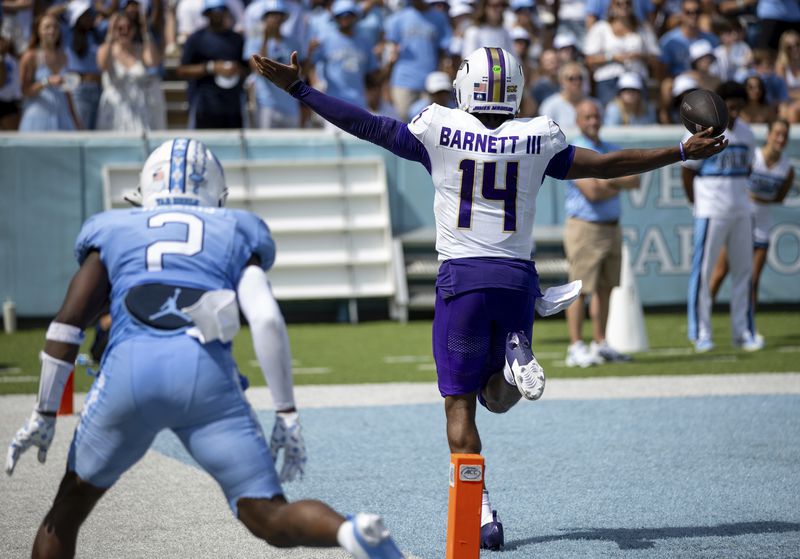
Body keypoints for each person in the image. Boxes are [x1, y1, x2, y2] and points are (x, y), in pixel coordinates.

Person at [252, 46, 725, 550]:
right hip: (519, 282)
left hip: (464, 280)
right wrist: (679, 150)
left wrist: (300, 89)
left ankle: (481, 515)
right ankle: (515, 361)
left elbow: (366, 125)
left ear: (465, 86)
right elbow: (606, 165)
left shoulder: (438, 129)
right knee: (495, 397)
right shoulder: (537, 137)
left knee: (460, 406)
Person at [4, 138, 405, 559]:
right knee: (269, 515)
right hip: (204, 377)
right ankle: (350, 533)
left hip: (128, 373)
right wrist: (286, 412)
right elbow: (266, 318)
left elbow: (67, 326)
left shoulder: (113, 229)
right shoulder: (234, 227)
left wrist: (45, 411)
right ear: (217, 194)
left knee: (65, 513)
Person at [682, 81, 760, 353]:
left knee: (744, 272)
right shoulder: (701, 133)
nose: (735, 113)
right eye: (731, 107)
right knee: (703, 273)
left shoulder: (748, 134)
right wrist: (698, 203)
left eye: (739, 107)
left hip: (741, 210)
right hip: (710, 211)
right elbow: (687, 171)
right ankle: (700, 332)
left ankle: (743, 331)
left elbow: (747, 169)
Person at [564, 99, 640, 367]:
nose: (593, 121)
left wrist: (606, 180)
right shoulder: (574, 149)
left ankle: (600, 342)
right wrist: (615, 182)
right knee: (580, 290)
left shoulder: (610, 148)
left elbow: (635, 178)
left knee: (607, 288)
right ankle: (575, 346)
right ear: (578, 120)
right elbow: (592, 193)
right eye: (587, 117)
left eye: (596, 116)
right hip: (585, 227)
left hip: (610, 226)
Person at [709, 119, 794, 343]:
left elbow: (780, 197)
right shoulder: (753, 156)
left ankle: (747, 327)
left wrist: (755, 197)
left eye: (784, 135)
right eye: (777, 133)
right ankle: (702, 321)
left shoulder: (787, 167)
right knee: (719, 273)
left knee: (753, 280)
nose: (780, 138)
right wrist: (751, 199)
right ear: (768, 134)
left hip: (762, 228)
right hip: (740, 222)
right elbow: (737, 183)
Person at [177, 0, 248, 128]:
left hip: (233, 106)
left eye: (221, 10)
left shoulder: (236, 39)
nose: (218, 14)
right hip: (204, 105)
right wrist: (211, 67)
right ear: (206, 14)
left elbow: (246, 69)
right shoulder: (196, 38)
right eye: (214, 11)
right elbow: (182, 70)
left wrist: (236, 70)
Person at [96, 11, 166, 131]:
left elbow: (153, 62)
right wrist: (110, 35)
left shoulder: (141, 50)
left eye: (129, 27)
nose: (125, 31)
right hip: (114, 110)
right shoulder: (107, 50)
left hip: (140, 111)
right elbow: (103, 65)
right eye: (120, 28)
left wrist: (145, 31)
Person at [18, 13, 79, 131]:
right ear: (38, 30)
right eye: (47, 27)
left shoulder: (64, 56)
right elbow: (24, 91)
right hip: (37, 118)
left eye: (55, 27)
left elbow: (68, 94)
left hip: (62, 116)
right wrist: (46, 81)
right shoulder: (30, 56)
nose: (52, 31)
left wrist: (76, 120)